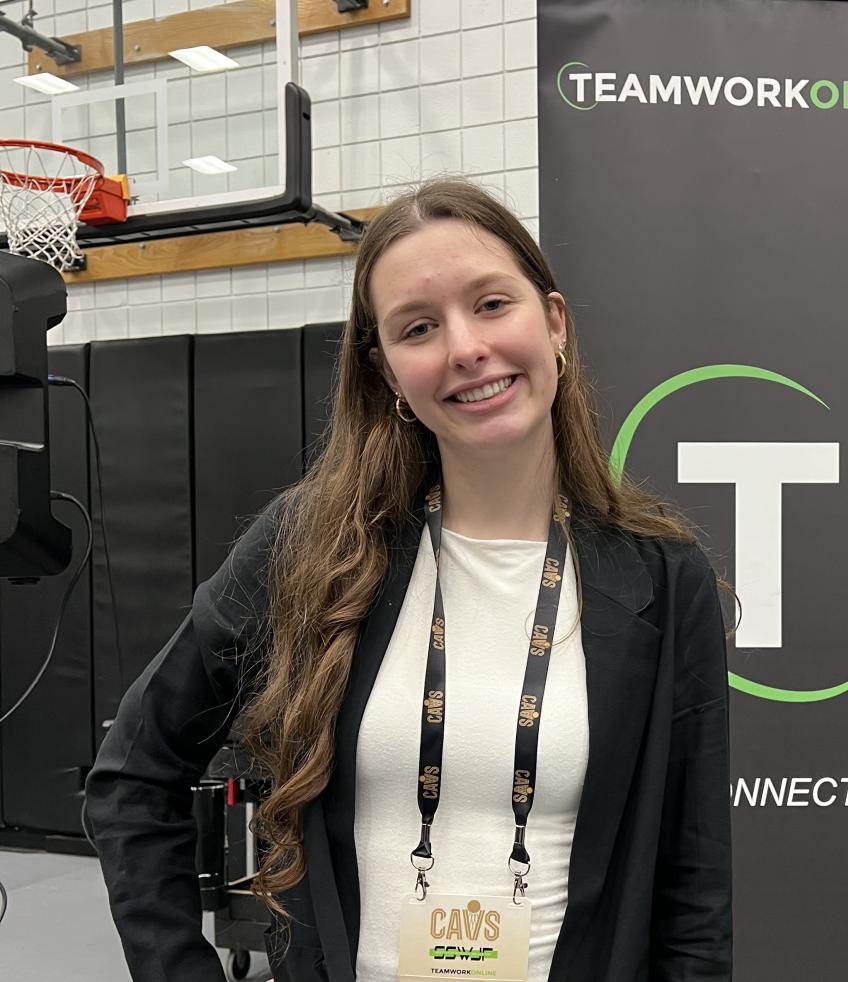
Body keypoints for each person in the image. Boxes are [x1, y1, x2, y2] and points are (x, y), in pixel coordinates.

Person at [85, 178, 734, 982]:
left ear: (555, 323)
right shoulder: (311, 549)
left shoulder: (661, 580)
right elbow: (131, 777)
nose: (465, 348)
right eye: (419, 327)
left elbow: (693, 895)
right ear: (388, 374)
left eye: (492, 304)